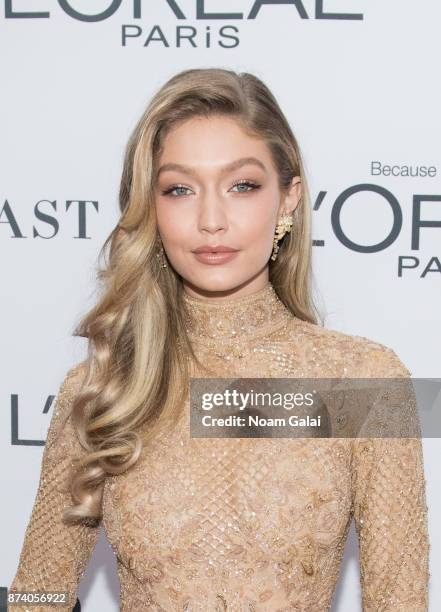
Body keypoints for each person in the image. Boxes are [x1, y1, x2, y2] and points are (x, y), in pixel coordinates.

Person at [9, 68, 430, 611]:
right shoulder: (104, 389)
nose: (211, 220)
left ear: (288, 199)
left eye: (242, 186)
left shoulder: (363, 384)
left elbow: (400, 600)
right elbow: (37, 592)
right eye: (180, 189)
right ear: (151, 208)